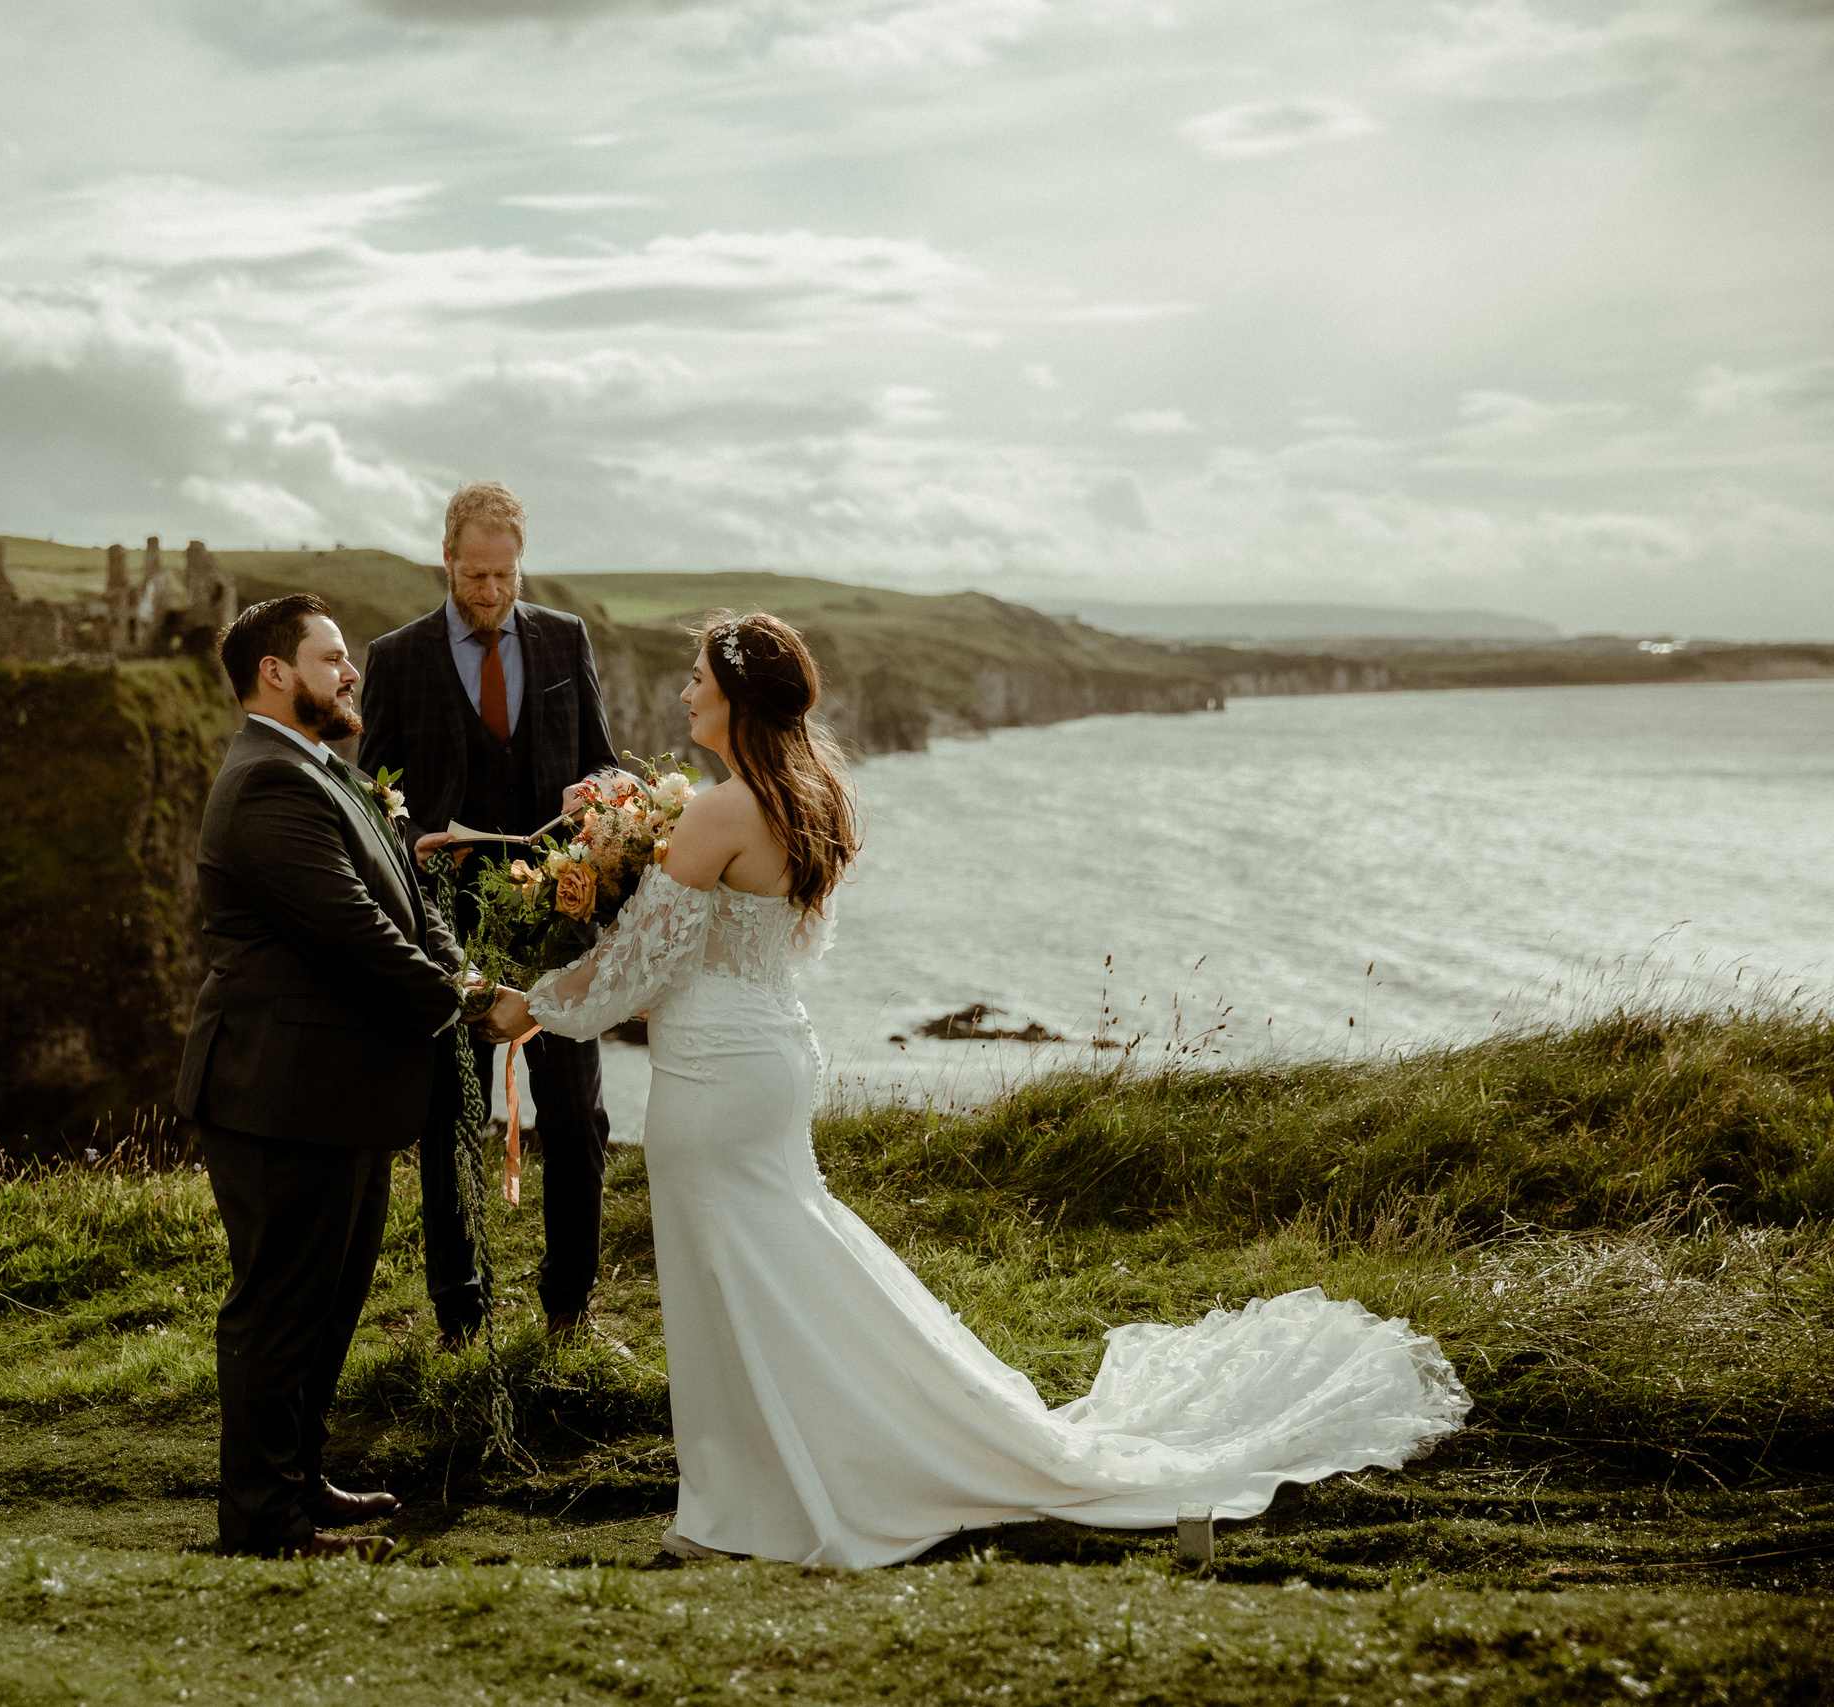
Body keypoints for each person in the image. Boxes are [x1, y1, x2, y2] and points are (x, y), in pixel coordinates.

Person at [476, 611, 1472, 1569]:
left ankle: (739, 1500)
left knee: (724, 1281)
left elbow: (637, 969)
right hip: (769, 1058)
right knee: (780, 1267)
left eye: (698, 679)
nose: (684, 692)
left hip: (712, 1074)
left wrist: (530, 1006)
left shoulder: (717, 810)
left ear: (738, 696)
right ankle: (760, 1484)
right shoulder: (808, 797)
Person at [177, 592, 486, 1561]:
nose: (351, 673)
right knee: (279, 1313)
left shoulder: (326, 770)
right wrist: (471, 1004)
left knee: (330, 1303)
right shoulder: (267, 784)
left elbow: (411, 904)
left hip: (339, 1095)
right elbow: (355, 933)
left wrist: (463, 974)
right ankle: (263, 1523)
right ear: (275, 673)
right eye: (332, 657)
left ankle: (299, 1478)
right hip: (279, 1095)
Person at [358, 481, 620, 1348]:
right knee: (452, 1121)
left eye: (506, 574)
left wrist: (595, 796)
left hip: (559, 920)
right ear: (446, 560)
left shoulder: (564, 638)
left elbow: (603, 762)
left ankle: (569, 1307)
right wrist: (415, 846)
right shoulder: (396, 658)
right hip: (448, 928)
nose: (493, 590)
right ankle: (460, 1314)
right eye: (476, 575)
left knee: (576, 1115)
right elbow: (375, 802)